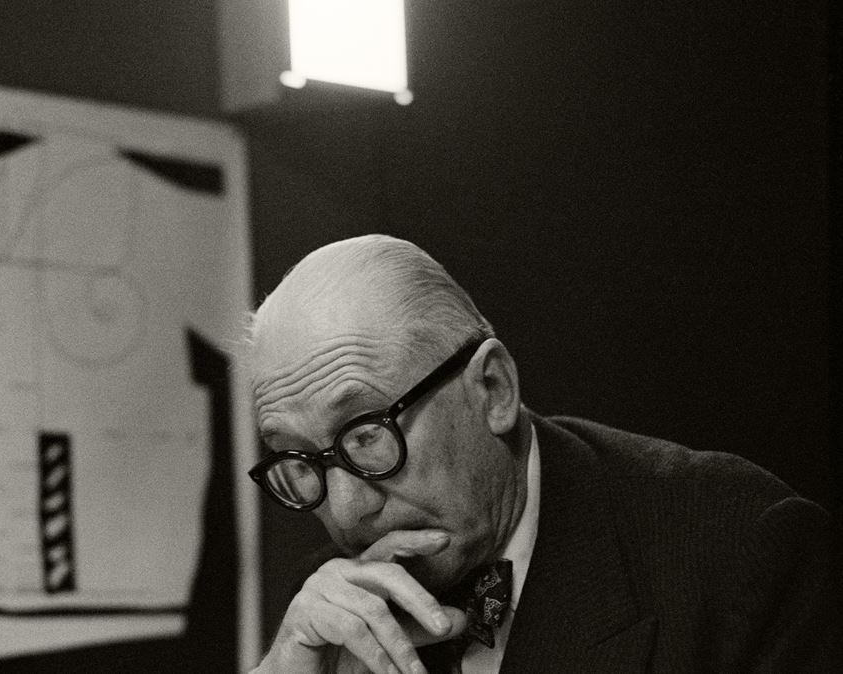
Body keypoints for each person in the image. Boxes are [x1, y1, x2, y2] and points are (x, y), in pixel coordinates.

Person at [241, 235, 836, 673]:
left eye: (367, 433)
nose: (346, 512)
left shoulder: (737, 549)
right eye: (302, 464)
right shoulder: (328, 604)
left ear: (493, 389)